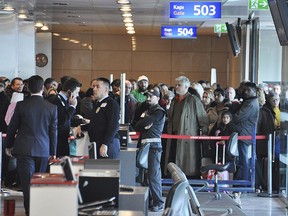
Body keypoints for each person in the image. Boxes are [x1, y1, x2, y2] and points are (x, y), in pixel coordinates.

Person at [5, 75, 57, 216]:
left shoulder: (21, 105)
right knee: (39, 183)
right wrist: (53, 151)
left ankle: (30, 212)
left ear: (28, 88)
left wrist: (8, 145)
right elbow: (53, 131)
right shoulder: (51, 107)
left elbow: (12, 128)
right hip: (43, 150)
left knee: (27, 184)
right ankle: (39, 211)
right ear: (43, 88)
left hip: (24, 149)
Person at [164, 76, 209, 177]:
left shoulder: (193, 100)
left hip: (188, 137)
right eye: (176, 85)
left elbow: (203, 119)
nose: (176, 87)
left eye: (179, 85)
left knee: (187, 163)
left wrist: (204, 133)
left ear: (186, 87)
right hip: (173, 135)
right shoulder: (174, 101)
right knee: (173, 159)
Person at [134, 88, 166, 212]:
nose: (147, 99)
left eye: (151, 97)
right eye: (147, 96)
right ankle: (150, 200)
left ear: (157, 98)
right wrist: (144, 122)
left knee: (153, 176)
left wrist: (145, 121)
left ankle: (158, 202)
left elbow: (145, 122)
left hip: (153, 148)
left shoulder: (159, 112)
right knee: (143, 176)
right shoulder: (148, 111)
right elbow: (137, 124)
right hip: (145, 147)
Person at [47, 77, 81, 157]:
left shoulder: (65, 100)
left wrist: (81, 121)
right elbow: (62, 120)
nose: (77, 95)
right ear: (69, 92)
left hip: (64, 139)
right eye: (76, 92)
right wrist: (73, 107)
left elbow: (68, 118)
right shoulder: (55, 100)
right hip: (56, 141)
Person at [87, 77, 120, 159]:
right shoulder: (97, 104)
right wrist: (81, 126)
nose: (94, 89)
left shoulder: (111, 104)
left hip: (108, 143)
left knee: (107, 170)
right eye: (94, 86)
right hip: (97, 143)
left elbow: (113, 125)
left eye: (97, 87)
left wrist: (105, 144)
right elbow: (96, 123)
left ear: (106, 89)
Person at [233, 82, 259, 181]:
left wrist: (234, 111)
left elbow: (238, 117)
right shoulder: (248, 102)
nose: (246, 92)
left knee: (243, 161)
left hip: (245, 134)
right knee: (242, 160)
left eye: (249, 90)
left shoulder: (251, 104)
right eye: (245, 90)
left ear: (254, 91)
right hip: (244, 133)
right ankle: (242, 181)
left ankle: (243, 183)